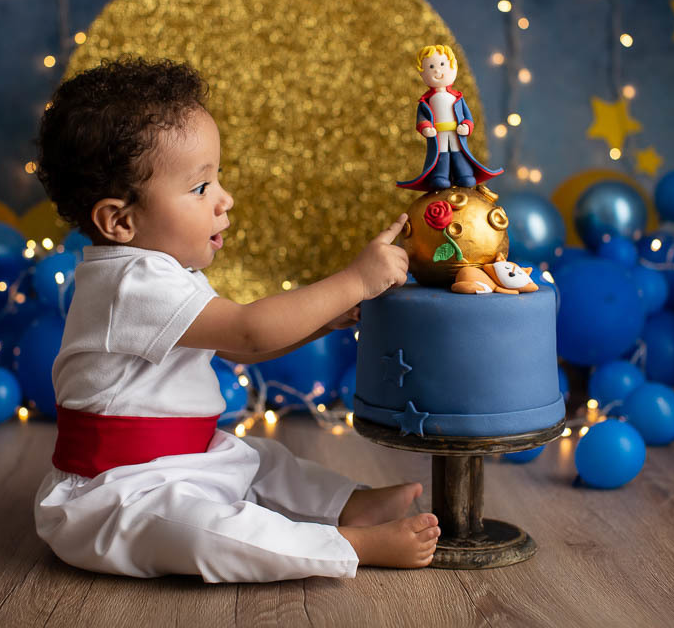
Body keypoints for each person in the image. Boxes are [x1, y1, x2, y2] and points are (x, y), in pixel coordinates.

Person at [31, 56, 440, 583]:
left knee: (263, 461)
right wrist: (354, 280)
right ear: (120, 220)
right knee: (206, 529)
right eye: (200, 188)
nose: (225, 200)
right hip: (118, 489)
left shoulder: (162, 270)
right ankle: (348, 544)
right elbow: (249, 328)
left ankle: (348, 505)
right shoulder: (131, 283)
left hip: (185, 459)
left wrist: (321, 323)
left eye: (217, 178)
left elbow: (237, 349)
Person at [396, 44, 503, 191]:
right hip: (438, 135)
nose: (437, 70)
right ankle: (440, 177)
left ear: (454, 67)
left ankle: (464, 174)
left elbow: (467, 117)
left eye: (441, 64)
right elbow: (421, 118)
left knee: (459, 153)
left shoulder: (457, 98)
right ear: (422, 74)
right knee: (441, 156)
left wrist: (466, 126)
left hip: (455, 132)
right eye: (431, 66)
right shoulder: (425, 102)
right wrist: (426, 127)